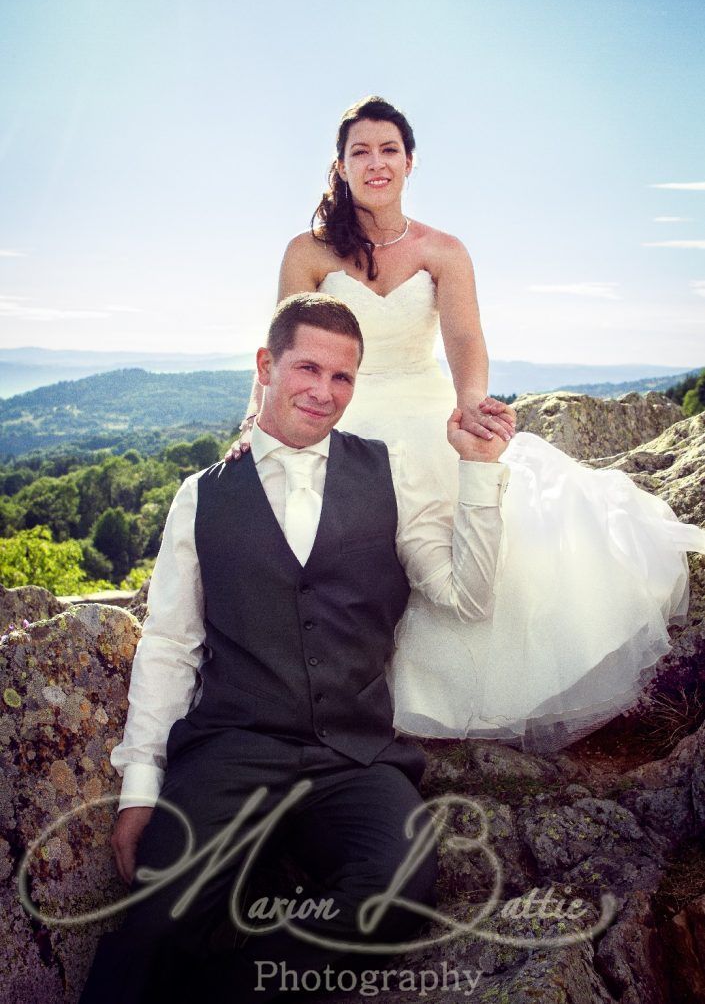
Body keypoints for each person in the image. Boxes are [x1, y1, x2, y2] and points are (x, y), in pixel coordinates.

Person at [231, 94, 705, 752]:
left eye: (387, 150)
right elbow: (284, 354)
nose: (375, 162)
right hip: (341, 418)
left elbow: (463, 340)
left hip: (424, 417)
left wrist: (471, 403)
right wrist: (255, 428)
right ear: (338, 167)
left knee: (467, 554)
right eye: (359, 152)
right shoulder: (306, 252)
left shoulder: (442, 250)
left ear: (409, 161)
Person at [79, 293, 509, 1004]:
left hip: (354, 756)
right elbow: (169, 644)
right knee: (154, 925)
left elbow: (467, 597)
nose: (323, 391)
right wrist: (141, 786)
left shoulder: (390, 472)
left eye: (342, 377)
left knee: (395, 893)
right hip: (230, 750)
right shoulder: (201, 494)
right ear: (265, 366)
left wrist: (480, 471)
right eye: (307, 367)